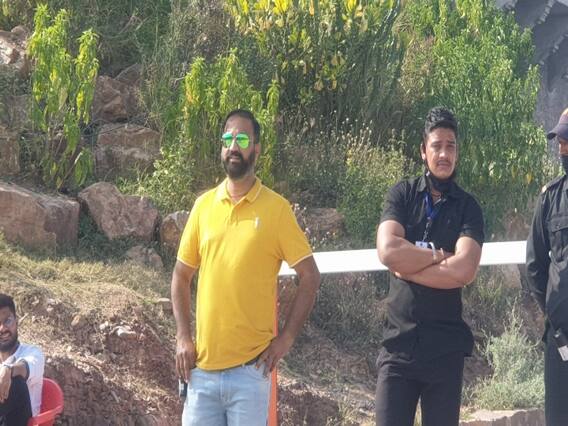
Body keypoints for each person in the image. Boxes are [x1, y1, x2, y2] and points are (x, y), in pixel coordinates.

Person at [171, 109, 320, 426]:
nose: (233, 147)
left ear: (256, 148)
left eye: (241, 139)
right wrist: (183, 337)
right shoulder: (203, 206)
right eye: (227, 139)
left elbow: (310, 276)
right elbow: (181, 276)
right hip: (201, 375)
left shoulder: (276, 210)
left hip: (250, 374)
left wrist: (287, 338)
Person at [375, 107, 484, 426]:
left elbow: (464, 270)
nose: (444, 154)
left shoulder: (469, 208)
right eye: (437, 146)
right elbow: (388, 250)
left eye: (451, 146)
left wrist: (408, 265)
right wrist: (439, 256)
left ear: (457, 152)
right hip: (398, 348)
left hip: (445, 353)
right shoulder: (402, 194)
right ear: (424, 151)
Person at [526, 107, 568, 426]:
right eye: (560, 142)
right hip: (561, 339)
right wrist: (554, 312)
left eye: (567, 141)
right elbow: (535, 265)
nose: (562, 148)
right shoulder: (550, 198)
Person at [0, 293, 45, 426]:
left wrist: (8, 370)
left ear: (17, 321)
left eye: (7, 321)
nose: (2, 329)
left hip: (22, 421)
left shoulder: (33, 353)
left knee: (16, 382)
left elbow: (24, 367)